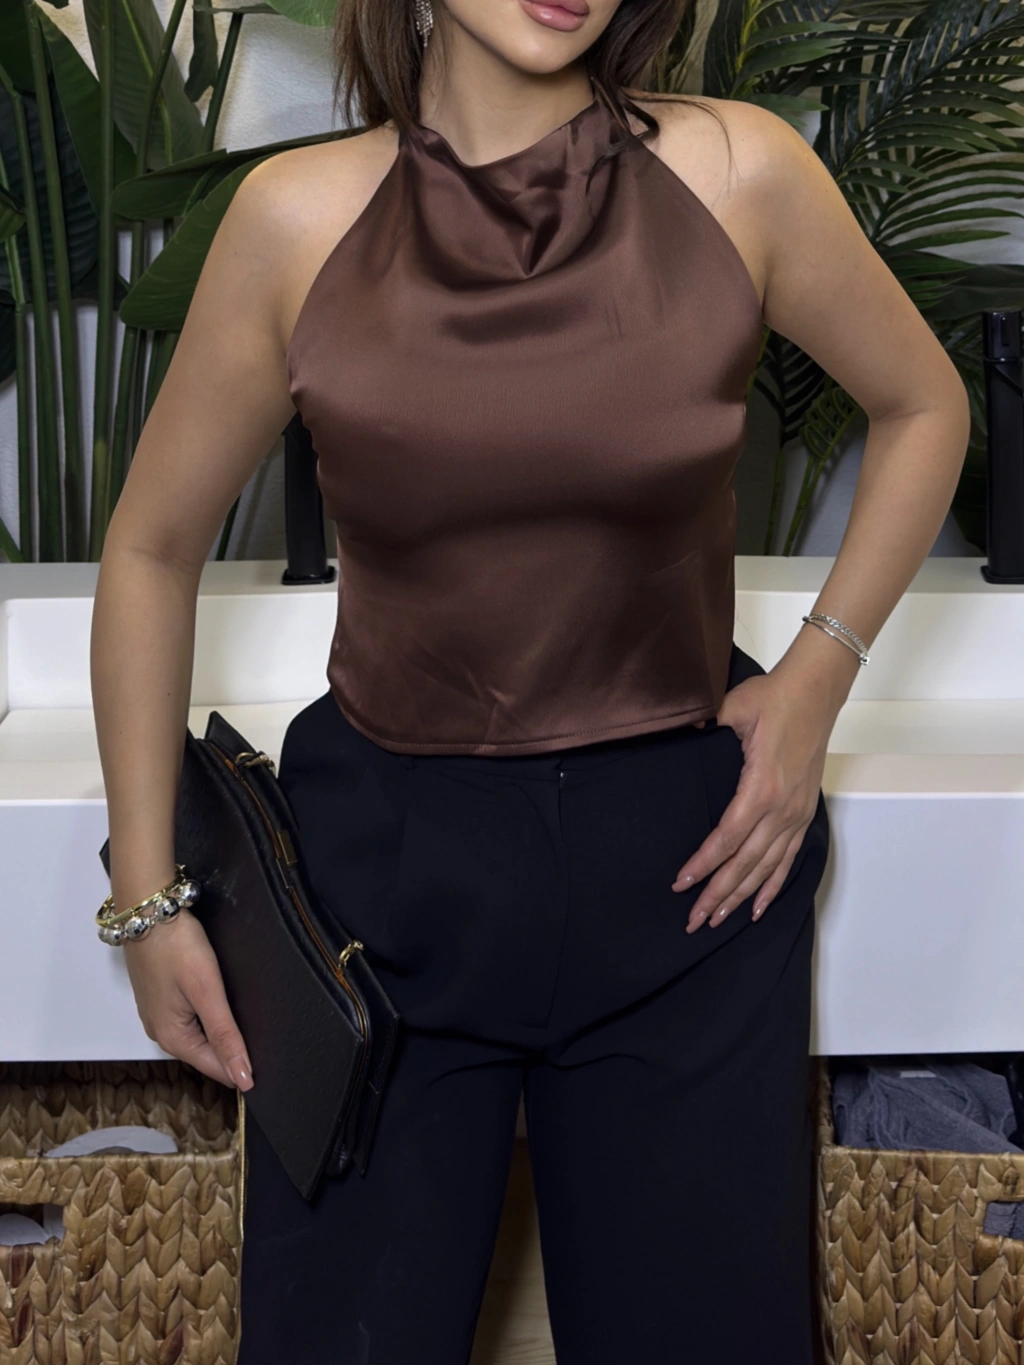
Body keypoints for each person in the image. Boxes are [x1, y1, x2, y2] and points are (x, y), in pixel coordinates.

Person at [89, 0, 970, 1360]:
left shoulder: (743, 175)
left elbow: (926, 405)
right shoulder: (296, 219)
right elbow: (150, 551)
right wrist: (147, 900)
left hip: (690, 877)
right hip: (383, 897)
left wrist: (814, 680)